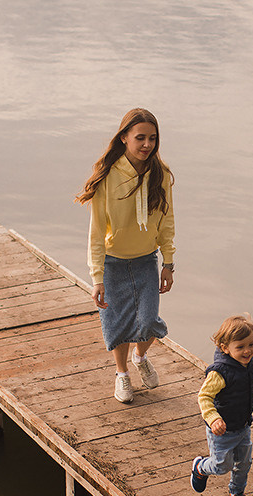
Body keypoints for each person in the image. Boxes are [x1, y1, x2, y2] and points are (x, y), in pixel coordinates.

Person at [76, 108, 176, 403]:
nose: (147, 144)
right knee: (118, 325)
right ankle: (122, 375)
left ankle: (140, 357)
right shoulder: (108, 176)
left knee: (149, 322)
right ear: (124, 138)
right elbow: (96, 232)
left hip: (146, 260)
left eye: (152, 138)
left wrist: (169, 262)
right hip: (113, 262)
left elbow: (167, 222)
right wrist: (97, 278)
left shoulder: (160, 174)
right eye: (140, 138)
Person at [191, 315, 253, 496]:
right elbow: (204, 396)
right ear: (225, 348)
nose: (247, 351)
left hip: (243, 425)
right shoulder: (220, 372)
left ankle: (236, 495)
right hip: (222, 430)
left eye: (251, 344)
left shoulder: (251, 359)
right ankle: (200, 467)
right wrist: (214, 419)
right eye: (240, 347)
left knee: (244, 463)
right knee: (221, 466)